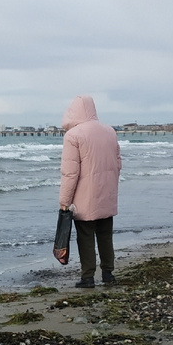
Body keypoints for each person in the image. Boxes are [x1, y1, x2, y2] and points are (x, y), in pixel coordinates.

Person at [59, 95, 122, 288]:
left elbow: (70, 172)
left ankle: (88, 276)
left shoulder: (73, 135)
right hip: (107, 192)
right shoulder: (109, 131)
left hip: (84, 197)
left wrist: (64, 200)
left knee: (85, 236)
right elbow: (118, 164)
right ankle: (108, 273)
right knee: (105, 234)